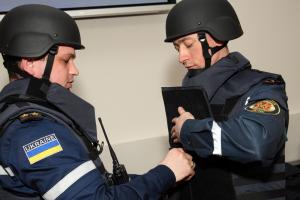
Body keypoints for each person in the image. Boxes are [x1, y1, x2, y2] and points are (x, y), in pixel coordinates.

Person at [0, 4, 195, 200]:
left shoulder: (22, 114)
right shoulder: (34, 130)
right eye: (66, 60)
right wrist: (166, 172)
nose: (74, 70)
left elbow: (92, 188)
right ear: (30, 63)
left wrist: (158, 179)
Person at [164, 0, 289, 199]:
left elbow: (258, 144)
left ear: (216, 39)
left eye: (188, 44)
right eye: (177, 47)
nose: (182, 57)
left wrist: (189, 130)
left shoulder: (262, 87)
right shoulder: (188, 93)